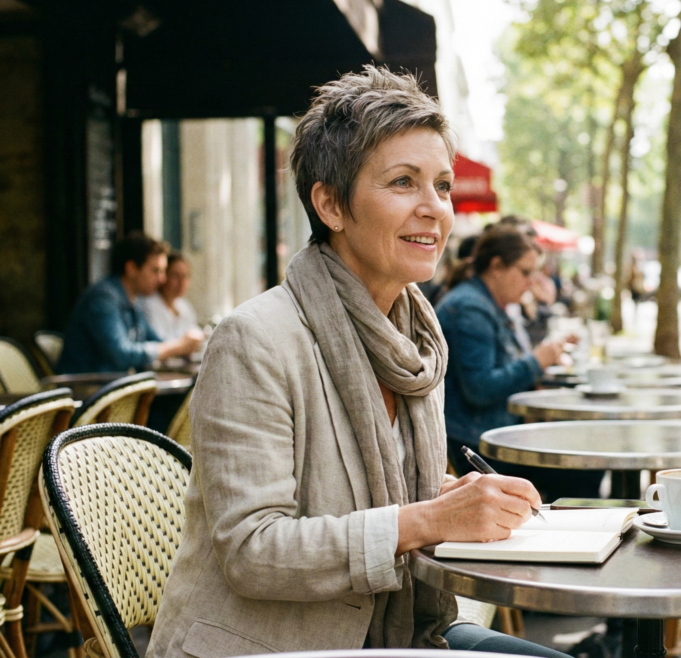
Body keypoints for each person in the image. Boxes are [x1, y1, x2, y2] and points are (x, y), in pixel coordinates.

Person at [149, 67, 567, 658]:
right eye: (403, 182)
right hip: (273, 645)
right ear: (331, 204)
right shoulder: (255, 339)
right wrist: (429, 518)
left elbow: (367, 487)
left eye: (442, 186)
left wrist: (458, 494)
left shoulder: (419, 338)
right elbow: (253, 552)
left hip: (399, 629)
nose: (435, 209)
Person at [435, 225, 602, 501]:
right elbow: (480, 388)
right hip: (481, 448)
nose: (530, 282)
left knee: (588, 457)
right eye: (525, 272)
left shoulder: (487, 303)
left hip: (496, 435)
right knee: (584, 468)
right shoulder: (471, 308)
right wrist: (537, 362)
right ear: (497, 266)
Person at [57, 232, 204, 374]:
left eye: (163, 272)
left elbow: (156, 341)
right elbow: (122, 354)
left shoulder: (133, 300)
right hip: (87, 391)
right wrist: (178, 347)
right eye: (155, 271)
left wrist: (186, 346)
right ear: (131, 268)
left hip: (113, 389)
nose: (162, 280)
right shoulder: (103, 298)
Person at [141, 251, 202, 341]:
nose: (182, 282)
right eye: (175, 276)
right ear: (164, 276)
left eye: (185, 276)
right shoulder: (148, 304)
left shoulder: (184, 305)